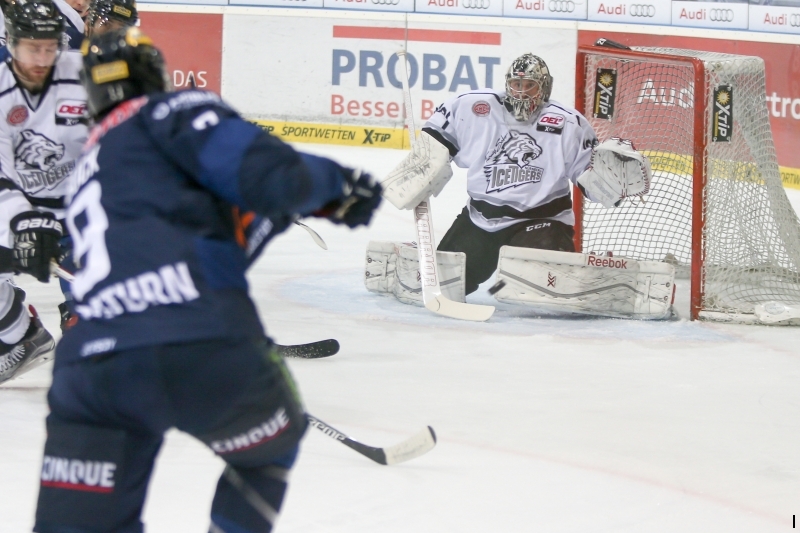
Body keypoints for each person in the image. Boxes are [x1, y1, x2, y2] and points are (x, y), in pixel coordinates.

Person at [32, 27, 381, 533]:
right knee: (270, 450)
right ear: (155, 76)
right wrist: (337, 188)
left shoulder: (90, 164)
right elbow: (262, 170)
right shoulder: (171, 111)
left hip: (91, 370)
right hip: (203, 342)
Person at [374, 53, 665, 319]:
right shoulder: (472, 108)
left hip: (542, 221)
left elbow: (589, 181)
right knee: (440, 284)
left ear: (544, 88)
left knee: (547, 294)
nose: (522, 92)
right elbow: (435, 143)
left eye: (530, 86)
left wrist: (612, 184)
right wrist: (423, 169)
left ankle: (596, 280)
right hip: (481, 220)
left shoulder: (568, 124)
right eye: (516, 84)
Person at [0, 0, 89, 384]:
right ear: (11, 43)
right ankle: (20, 335)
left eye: (49, 48)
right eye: (31, 48)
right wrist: (26, 221)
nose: (41, 59)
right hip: (27, 208)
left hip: (87, 206)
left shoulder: (88, 77)